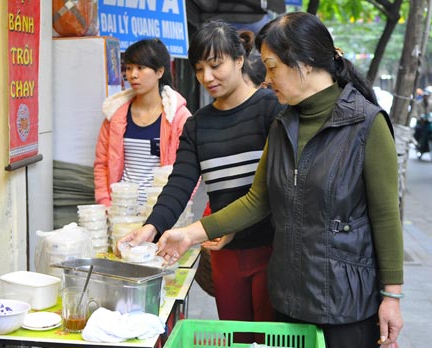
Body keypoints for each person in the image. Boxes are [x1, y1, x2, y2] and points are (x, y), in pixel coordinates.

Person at [156, 12, 404, 348]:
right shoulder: (284, 123)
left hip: (346, 303)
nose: (267, 80)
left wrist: (391, 295)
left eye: (272, 67)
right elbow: (258, 200)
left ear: (302, 62)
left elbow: (386, 216)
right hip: (289, 299)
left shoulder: (367, 124)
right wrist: (188, 234)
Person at [117, 21, 284, 333]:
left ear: (239, 60)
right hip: (223, 253)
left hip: (272, 249)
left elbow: (280, 186)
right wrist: (150, 229)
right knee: (238, 335)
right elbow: (179, 183)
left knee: (271, 337)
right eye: (199, 68)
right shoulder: (198, 125)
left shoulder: (272, 110)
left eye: (216, 65)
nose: (207, 77)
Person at [93, 38, 191, 205]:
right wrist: (105, 203)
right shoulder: (115, 115)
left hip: (161, 211)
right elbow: (101, 164)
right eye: (129, 68)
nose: (133, 75)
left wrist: (172, 207)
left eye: (141, 67)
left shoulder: (178, 118)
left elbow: (189, 169)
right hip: (122, 212)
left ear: (160, 72)